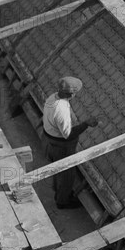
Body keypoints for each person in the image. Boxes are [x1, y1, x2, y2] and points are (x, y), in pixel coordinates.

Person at [42, 77, 99, 209]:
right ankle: (62, 201)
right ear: (72, 94)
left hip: (50, 140)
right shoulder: (61, 110)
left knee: (57, 169)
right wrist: (86, 124)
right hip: (62, 146)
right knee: (67, 175)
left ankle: (59, 192)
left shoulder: (53, 97)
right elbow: (68, 135)